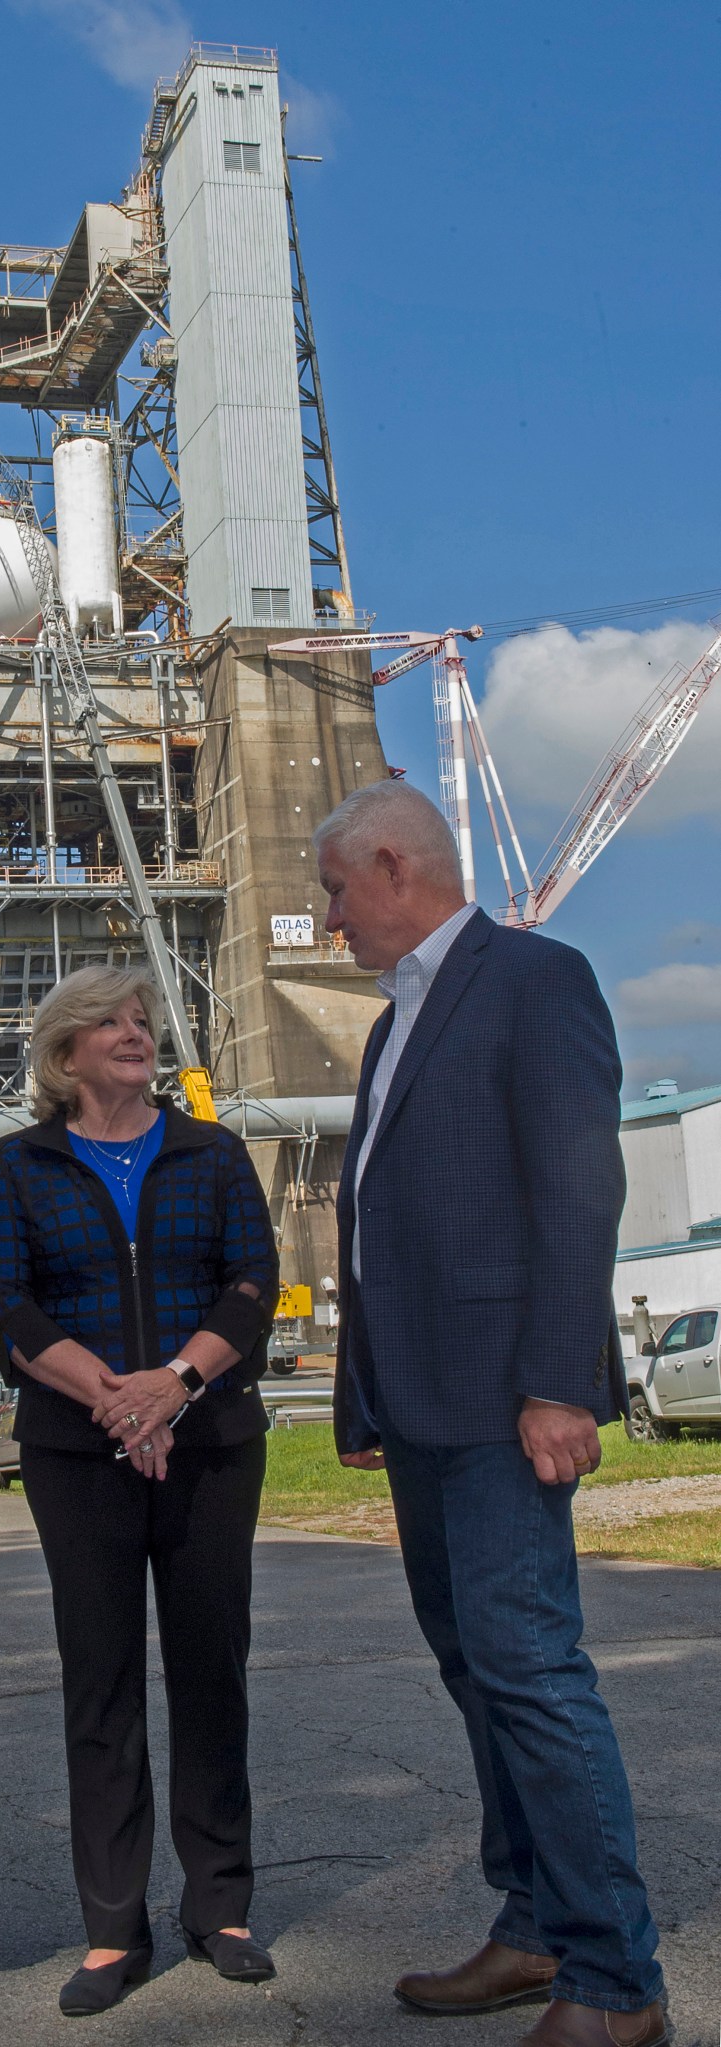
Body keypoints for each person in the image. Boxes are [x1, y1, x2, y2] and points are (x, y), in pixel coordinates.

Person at [315, 780, 664, 2047]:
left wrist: (561, 1380)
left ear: (394, 865)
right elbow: (378, 1222)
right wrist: (359, 1390)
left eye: (336, 888)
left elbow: (577, 1186)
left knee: (529, 1669)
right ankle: (531, 1929)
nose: (330, 914)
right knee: (479, 1673)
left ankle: (617, 1982)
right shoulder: (388, 1022)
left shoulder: (533, 980)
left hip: (505, 1400)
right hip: (419, 1406)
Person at [0, 964, 280, 2017]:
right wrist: (114, 1399)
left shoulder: (213, 1150)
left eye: (142, 1020)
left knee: (210, 1670)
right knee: (99, 1680)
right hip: (79, 1449)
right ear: (63, 1053)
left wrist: (174, 1385)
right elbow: (4, 1300)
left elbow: (251, 1284)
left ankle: (221, 1906)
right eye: (110, 1023)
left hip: (209, 1441)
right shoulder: (19, 1166)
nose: (134, 1034)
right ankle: (112, 1930)